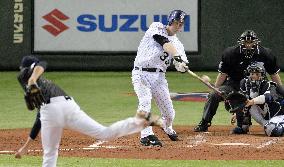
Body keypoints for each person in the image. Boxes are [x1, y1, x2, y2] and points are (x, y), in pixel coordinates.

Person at [17, 55, 162, 167]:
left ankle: (139, 120)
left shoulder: (25, 75)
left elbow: (41, 64)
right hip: (62, 107)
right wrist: (27, 145)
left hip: (51, 111)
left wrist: (32, 79)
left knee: (50, 154)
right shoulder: (43, 84)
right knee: (104, 133)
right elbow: (39, 117)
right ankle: (139, 120)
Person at [194, 30, 282, 133]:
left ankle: (266, 122)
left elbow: (274, 74)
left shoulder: (266, 54)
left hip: (258, 86)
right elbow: (223, 74)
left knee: (269, 98)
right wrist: (216, 88)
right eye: (246, 42)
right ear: (241, 43)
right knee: (214, 95)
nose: (248, 45)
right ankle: (205, 123)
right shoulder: (230, 53)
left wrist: (280, 90)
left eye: (251, 42)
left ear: (256, 43)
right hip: (233, 84)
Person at [132, 10, 189, 146]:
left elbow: (182, 64)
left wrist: (182, 66)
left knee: (169, 114)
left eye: (181, 24)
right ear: (170, 21)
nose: (178, 26)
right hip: (141, 73)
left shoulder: (179, 45)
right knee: (145, 102)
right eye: (176, 22)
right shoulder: (156, 27)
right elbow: (164, 42)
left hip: (159, 77)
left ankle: (167, 127)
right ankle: (146, 135)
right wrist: (177, 56)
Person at [238, 63, 284, 136]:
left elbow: (268, 97)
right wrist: (244, 127)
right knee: (248, 105)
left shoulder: (270, 85)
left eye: (257, 74)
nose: (253, 76)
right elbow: (246, 106)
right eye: (252, 73)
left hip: (280, 114)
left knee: (274, 130)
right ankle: (267, 124)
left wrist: (252, 101)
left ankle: (277, 125)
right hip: (268, 118)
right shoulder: (246, 87)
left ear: (262, 75)